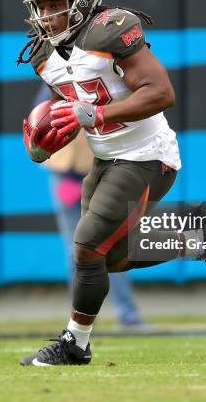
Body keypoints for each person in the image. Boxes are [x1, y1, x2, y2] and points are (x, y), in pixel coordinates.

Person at [16, 0, 206, 366]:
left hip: (148, 155)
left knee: (87, 247)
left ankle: (75, 343)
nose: (49, 16)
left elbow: (161, 92)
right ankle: (202, 241)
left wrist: (97, 114)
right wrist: (49, 133)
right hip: (106, 158)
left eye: (57, 4)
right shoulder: (44, 56)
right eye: (42, 7)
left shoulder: (111, 31)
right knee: (112, 257)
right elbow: (73, 96)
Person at [43, 108, 145, 328]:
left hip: (104, 172)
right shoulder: (57, 81)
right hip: (67, 176)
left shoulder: (100, 81)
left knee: (111, 247)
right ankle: (81, 318)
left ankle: (127, 315)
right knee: (78, 250)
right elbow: (42, 114)